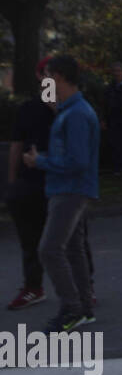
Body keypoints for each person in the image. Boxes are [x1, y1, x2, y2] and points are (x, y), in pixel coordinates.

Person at [23, 55, 99, 333]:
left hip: (69, 191)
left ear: (60, 77)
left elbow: (77, 161)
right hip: (72, 189)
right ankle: (83, 309)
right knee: (72, 249)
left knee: (50, 249)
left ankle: (72, 309)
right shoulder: (72, 110)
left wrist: (39, 161)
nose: (46, 82)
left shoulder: (76, 113)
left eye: (49, 76)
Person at [6, 59, 56, 310]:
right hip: (30, 183)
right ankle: (33, 287)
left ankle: (84, 287)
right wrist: (12, 182)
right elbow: (16, 144)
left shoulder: (73, 108)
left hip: (61, 184)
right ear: (39, 75)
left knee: (72, 239)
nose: (52, 78)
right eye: (48, 73)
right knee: (30, 239)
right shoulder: (27, 109)